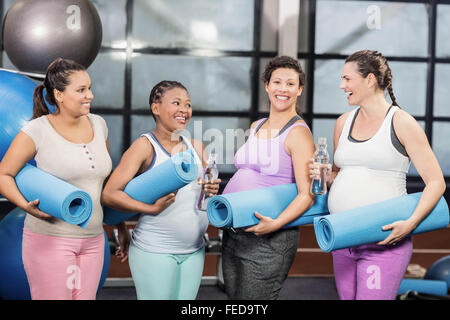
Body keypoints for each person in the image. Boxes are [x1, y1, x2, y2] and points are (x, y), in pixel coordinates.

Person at [310, 50, 446, 300]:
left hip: (384, 242)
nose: (342, 85)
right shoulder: (343, 122)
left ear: (370, 79)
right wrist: (326, 174)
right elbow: (340, 176)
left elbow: (436, 182)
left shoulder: (401, 122)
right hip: (344, 238)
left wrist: (411, 223)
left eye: (347, 79)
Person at [0, 58, 113, 300]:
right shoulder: (37, 130)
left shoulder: (100, 125)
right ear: (59, 95)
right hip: (51, 240)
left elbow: (101, 182)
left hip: (93, 240)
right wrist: (23, 205)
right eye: (81, 90)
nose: (90, 95)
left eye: (89, 88)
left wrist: (120, 225)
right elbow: (4, 174)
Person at [101, 80, 221, 300]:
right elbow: (109, 194)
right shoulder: (144, 146)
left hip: (194, 250)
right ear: (156, 108)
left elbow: (206, 194)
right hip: (154, 250)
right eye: (176, 103)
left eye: (188, 105)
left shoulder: (197, 147)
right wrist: (150, 208)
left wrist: (212, 189)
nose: (184, 110)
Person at [221, 56, 316, 300]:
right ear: (267, 85)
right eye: (277, 82)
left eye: (290, 84)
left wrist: (275, 224)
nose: (283, 89)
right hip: (234, 233)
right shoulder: (256, 126)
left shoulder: (298, 134)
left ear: (299, 89)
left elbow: (307, 194)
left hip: (270, 237)